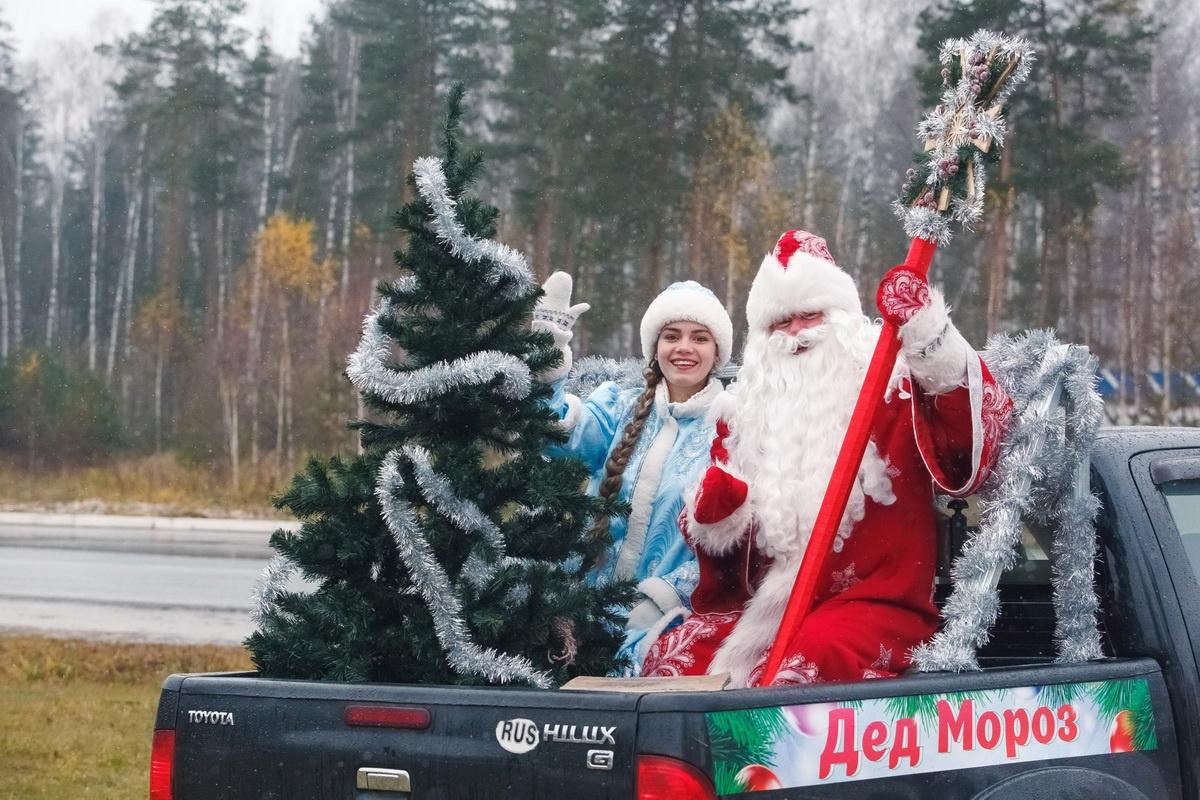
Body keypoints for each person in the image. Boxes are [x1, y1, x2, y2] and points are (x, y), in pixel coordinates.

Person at [640, 230, 1012, 687]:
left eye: (809, 315)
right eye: (780, 322)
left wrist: (928, 335)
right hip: (765, 603)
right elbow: (719, 557)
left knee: (801, 669)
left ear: (841, 316)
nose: (796, 333)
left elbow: (967, 446)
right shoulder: (741, 416)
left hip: (873, 603)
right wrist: (720, 518)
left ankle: (753, 760)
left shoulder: (893, 387)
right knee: (674, 658)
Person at [533, 273, 734, 670]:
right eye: (671, 335)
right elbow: (555, 439)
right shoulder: (618, 410)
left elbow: (736, 547)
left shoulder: (734, 428)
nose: (684, 348)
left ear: (717, 351)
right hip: (582, 619)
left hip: (670, 629)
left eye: (699, 337)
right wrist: (547, 357)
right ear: (654, 346)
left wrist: (661, 599)